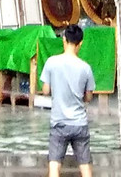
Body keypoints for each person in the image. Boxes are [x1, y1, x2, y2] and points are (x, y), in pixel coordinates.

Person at [41, 25, 94, 177]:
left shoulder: (52, 62)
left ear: (63, 39)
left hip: (59, 123)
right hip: (80, 124)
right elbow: (88, 97)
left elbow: (45, 90)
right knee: (85, 166)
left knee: (54, 166)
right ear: (81, 43)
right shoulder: (86, 68)